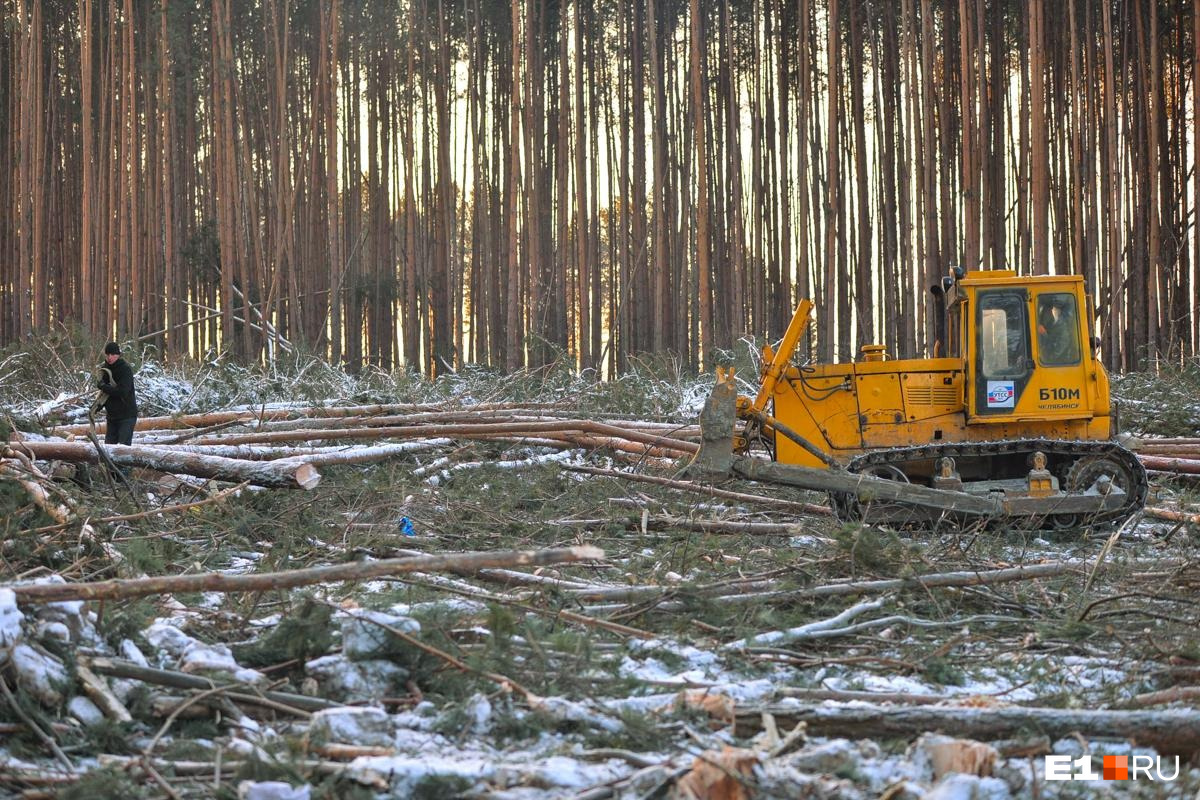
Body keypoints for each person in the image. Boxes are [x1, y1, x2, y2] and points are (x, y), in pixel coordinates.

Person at [96, 341, 138, 445]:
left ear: (118, 355)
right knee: (109, 448)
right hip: (112, 416)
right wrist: (96, 407)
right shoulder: (105, 370)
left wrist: (104, 387)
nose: (110, 357)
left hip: (127, 416)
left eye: (113, 355)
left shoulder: (125, 370)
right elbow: (104, 395)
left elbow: (122, 391)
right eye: (108, 355)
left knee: (123, 449)